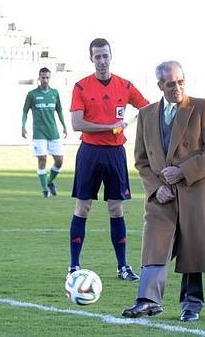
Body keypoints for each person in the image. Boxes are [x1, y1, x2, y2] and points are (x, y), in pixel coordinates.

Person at [121, 61, 205, 322]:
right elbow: (142, 161)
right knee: (154, 244)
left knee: (193, 248)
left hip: (195, 192)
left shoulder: (203, 107)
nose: (177, 88)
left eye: (181, 82)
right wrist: (157, 189)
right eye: (171, 84)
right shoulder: (145, 114)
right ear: (160, 86)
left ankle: (191, 304)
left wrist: (181, 171)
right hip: (162, 197)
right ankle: (148, 300)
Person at [68, 38, 149, 281]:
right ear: (91, 58)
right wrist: (110, 126)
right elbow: (76, 123)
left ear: (111, 56)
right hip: (90, 152)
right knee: (83, 207)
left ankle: (123, 266)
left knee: (116, 208)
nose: (102, 61)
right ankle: (73, 266)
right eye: (97, 57)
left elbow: (146, 108)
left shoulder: (125, 86)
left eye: (105, 56)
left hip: (115, 154)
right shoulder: (81, 87)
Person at [22, 67, 68, 198]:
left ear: (50, 78)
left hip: (53, 132)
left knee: (59, 161)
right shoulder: (32, 94)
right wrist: (23, 126)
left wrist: (64, 126)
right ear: (39, 78)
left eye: (47, 77)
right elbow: (25, 111)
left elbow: (59, 110)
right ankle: (45, 190)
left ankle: (49, 182)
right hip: (39, 133)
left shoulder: (55, 93)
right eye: (43, 77)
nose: (45, 80)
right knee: (42, 159)